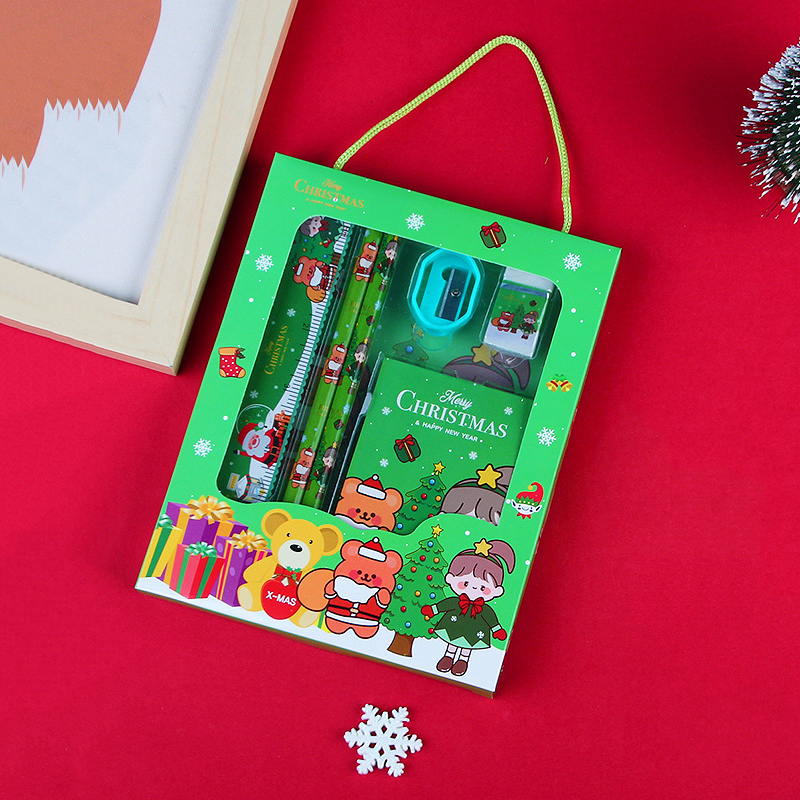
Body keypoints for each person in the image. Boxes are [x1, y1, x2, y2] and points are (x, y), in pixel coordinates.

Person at [421, 538, 515, 677]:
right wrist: (433, 610)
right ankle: (448, 656)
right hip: (454, 624)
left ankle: (463, 661)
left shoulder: (485, 609)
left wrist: (497, 630)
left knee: (468, 645)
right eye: (465, 584)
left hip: (475, 631)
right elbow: (445, 605)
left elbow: (491, 619)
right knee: (452, 641)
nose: (474, 588)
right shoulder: (456, 602)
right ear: (451, 578)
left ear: (496, 591)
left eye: (483, 587)